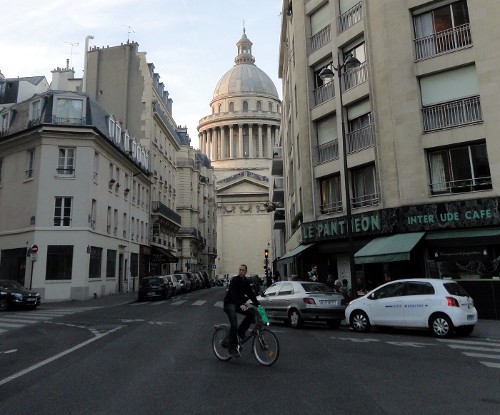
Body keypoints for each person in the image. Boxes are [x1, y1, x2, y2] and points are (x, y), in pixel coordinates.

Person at [223, 264, 260, 357]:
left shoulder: (246, 282)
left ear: (246, 272)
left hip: (238, 304)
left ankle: (241, 332)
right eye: (239, 270)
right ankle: (231, 349)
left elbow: (251, 294)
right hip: (229, 303)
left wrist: (259, 306)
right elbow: (234, 296)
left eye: (243, 270)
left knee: (251, 313)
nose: (241, 272)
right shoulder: (234, 280)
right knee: (234, 324)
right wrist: (241, 304)